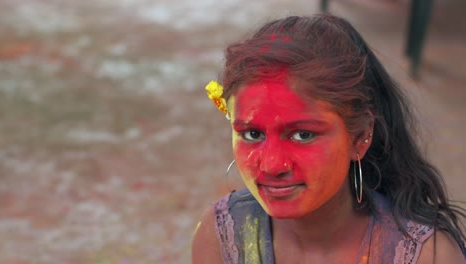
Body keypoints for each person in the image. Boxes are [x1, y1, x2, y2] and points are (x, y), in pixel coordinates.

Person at [192, 14, 465, 264]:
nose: (272, 166)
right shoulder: (221, 237)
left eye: (303, 135)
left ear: (360, 137)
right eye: (252, 134)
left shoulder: (427, 256)